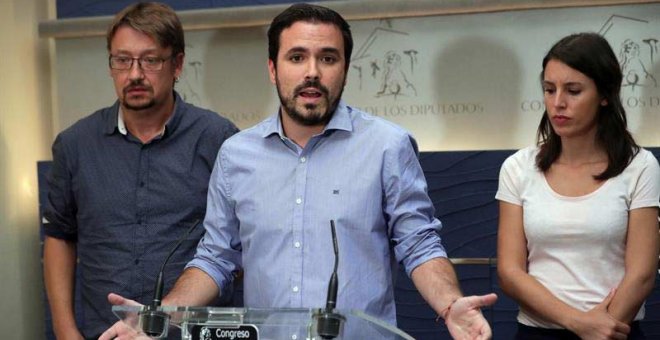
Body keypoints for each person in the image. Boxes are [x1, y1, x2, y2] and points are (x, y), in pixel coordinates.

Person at [100, 3, 497, 340]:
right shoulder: (237, 155)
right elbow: (216, 258)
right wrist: (160, 317)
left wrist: (449, 304)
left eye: (327, 58)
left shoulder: (386, 146)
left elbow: (419, 243)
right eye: (296, 57)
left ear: (345, 68)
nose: (312, 72)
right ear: (273, 69)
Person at [42, 2, 239, 339]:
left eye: (150, 60)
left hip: (190, 332)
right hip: (103, 332)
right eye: (122, 60)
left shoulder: (218, 140)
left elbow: (236, 247)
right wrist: (65, 330)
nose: (134, 74)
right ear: (110, 65)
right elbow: (60, 236)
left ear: (177, 64)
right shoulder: (75, 145)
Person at [496, 32, 660, 340]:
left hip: (615, 331)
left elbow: (641, 274)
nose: (558, 103)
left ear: (604, 94)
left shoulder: (640, 166)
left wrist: (601, 329)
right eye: (549, 89)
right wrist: (578, 322)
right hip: (537, 332)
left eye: (573, 90)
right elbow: (510, 272)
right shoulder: (518, 168)